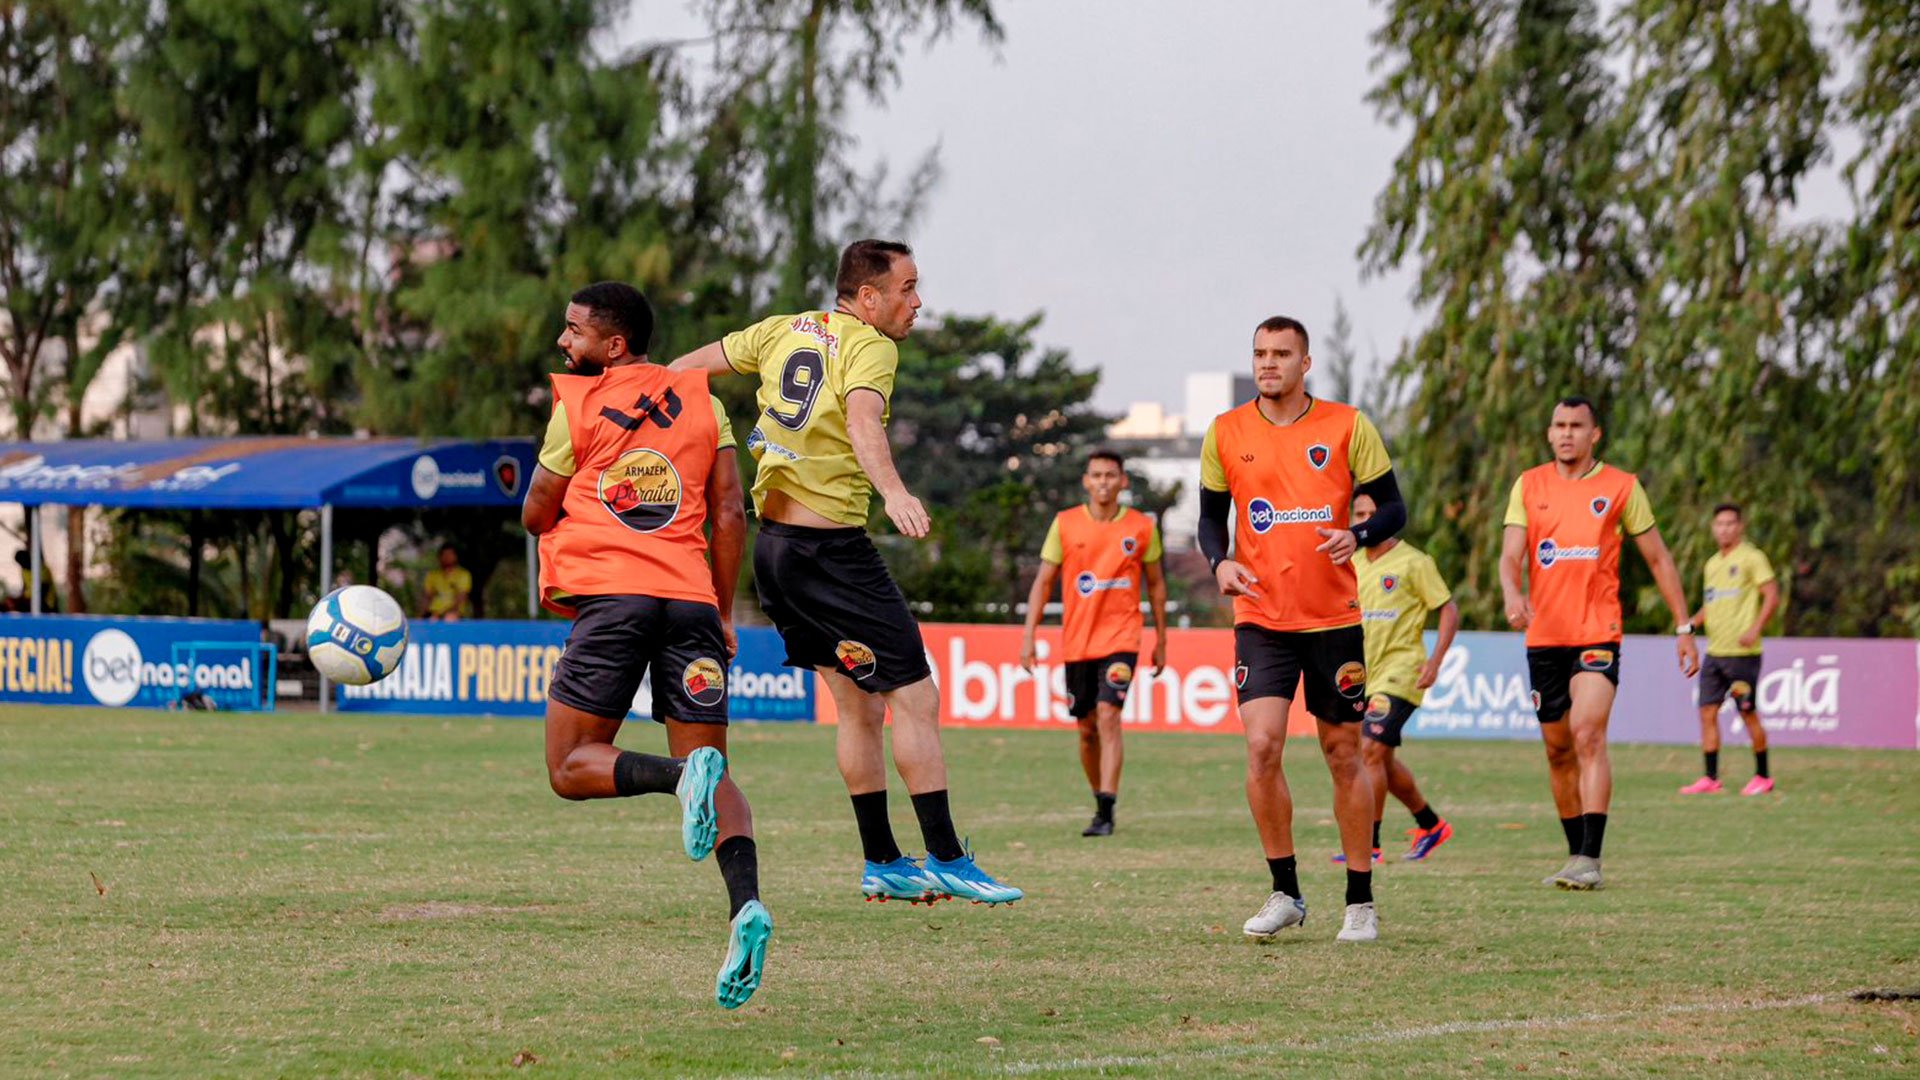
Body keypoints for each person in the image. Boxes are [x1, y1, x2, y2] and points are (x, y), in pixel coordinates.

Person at [670, 239, 1022, 906]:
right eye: (908, 288)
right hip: (830, 554)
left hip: (774, 552)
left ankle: (883, 860)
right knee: (916, 699)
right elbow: (864, 424)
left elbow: (687, 369)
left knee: (858, 707)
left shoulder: (781, 330)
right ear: (867, 297)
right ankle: (947, 857)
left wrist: (632, 394)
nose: (918, 302)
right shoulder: (871, 346)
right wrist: (892, 491)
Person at [521, 281, 770, 1009]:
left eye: (574, 331)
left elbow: (537, 509)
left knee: (570, 766)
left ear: (614, 344)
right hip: (690, 602)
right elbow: (729, 510)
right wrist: (721, 612)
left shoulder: (578, 403)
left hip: (614, 598)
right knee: (715, 770)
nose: (565, 343)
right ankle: (745, 907)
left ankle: (671, 781)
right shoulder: (704, 399)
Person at [1197, 315, 1408, 944]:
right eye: (1260, 353)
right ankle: (1285, 890)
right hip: (1260, 616)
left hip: (1334, 619)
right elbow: (1211, 519)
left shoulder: (1347, 425)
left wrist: (1360, 533)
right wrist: (1220, 561)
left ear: (1304, 363)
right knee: (1262, 746)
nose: (1269, 364)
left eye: (1282, 354)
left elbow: (1393, 504)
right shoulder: (1227, 431)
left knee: (1344, 753)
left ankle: (1360, 902)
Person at [1499, 396, 1700, 892]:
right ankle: (1574, 854)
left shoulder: (1622, 488)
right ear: (1550, 433)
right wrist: (1511, 590)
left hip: (1597, 632)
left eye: (1577, 426)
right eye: (1559, 425)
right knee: (1558, 749)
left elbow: (1659, 559)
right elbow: (1510, 555)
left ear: (1595, 435)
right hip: (1544, 637)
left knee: (1587, 732)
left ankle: (1591, 857)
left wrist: (1683, 628)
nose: (1566, 433)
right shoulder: (1529, 485)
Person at [1019, 449, 1169, 837]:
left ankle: (1106, 809)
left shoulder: (1141, 527)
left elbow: (1155, 584)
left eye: (1110, 475)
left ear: (1123, 482)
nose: (1103, 482)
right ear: (1086, 481)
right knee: (1086, 728)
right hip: (1078, 642)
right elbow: (1043, 581)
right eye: (1096, 475)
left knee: (1108, 715)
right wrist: (1029, 635)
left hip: (1123, 638)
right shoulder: (1065, 524)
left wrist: (1162, 639)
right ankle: (1097, 796)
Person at [1339, 491, 1459, 864]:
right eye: (1358, 514)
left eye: (1372, 514)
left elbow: (1448, 609)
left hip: (1402, 670)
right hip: (1363, 673)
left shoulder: (1414, 562)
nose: (1365, 521)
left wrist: (1436, 661)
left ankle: (1368, 846)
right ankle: (1431, 824)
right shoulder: (1350, 562)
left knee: (1370, 750)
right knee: (1381, 760)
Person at [1680, 503, 1780, 796]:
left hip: (1742, 656)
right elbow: (1711, 605)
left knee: (1747, 713)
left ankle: (1763, 776)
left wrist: (1755, 629)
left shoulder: (1752, 558)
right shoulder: (1712, 564)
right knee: (1707, 712)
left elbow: (1772, 596)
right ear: (1713, 528)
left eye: (1730, 523)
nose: (1724, 529)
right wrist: (1689, 625)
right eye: (1719, 524)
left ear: (1740, 526)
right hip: (1715, 652)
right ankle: (1710, 778)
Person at [420, 543, 472, 621]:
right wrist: (421, 615)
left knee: (449, 619)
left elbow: (461, 597)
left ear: (456, 557)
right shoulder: (432, 575)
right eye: (444, 555)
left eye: (450, 554)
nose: (447, 557)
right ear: (439, 557)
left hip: (454, 613)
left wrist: (447, 613)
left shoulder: (464, 575)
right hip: (433, 613)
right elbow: (427, 597)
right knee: (430, 621)